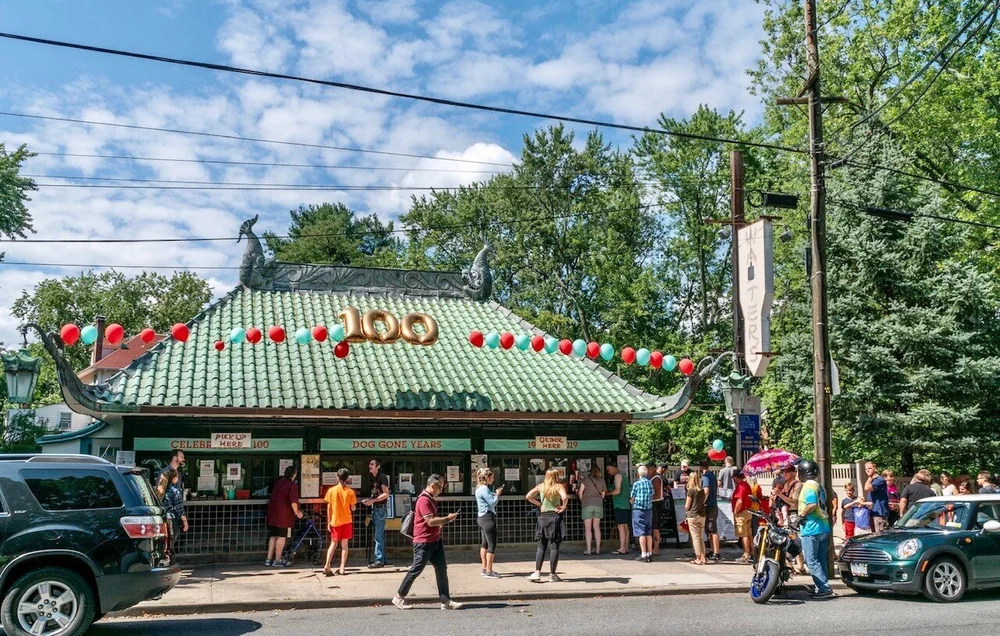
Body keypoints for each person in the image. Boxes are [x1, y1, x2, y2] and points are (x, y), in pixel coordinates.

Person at [392, 475, 462, 610]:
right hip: (423, 541)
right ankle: (399, 596)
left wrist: (441, 523)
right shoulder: (423, 500)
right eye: (440, 487)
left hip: (435, 540)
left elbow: (433, 521)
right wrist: (447, 519)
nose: (441, 490)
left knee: (441, 569)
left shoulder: (431, 499)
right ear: (433, 485)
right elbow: (430, 521)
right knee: (416, 569)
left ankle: (445, 600)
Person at [796, 460, 833, 599]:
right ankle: (820, 587)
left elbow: (811, 504)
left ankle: (824, 588)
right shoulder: (819, 486)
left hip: (811, 528)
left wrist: (801, 516)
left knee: (810, 560)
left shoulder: (808, 486)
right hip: (823, 527)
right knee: (820, 559)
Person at [526, 468, 568, 581]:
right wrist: (563, 507)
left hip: (543, 518)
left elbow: (528, 496)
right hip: (555, 517)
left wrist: (539, 504)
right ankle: (552, 574)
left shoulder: (541, 486)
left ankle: (537, 572)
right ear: (556, 476)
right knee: (554, 546)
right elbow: (564, 497)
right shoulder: (559, 486)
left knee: (541, 546)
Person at [265, 465, 304, 567]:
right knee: (282, 537)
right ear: (294, 474)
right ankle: (277, 560)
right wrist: (297, 512)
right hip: (284, 516)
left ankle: (268, 559)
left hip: (273, 514)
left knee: (273, 536)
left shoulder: (278, 483)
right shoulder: (292, 485)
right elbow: (293, 501)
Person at [323, 469, 357, 576]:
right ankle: (342, 568)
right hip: (347, 521)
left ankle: (327, 565)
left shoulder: (331, 490)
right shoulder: (351, 492)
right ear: (347, 479)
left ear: (337, 477)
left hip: (335, 521)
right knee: (344, 546)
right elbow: (353, 508)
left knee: (333, 544)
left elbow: (329, 507)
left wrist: (329, 522)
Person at [774, 463, 804, 573]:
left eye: (787, 471)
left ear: (794, 472)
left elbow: (794, 502)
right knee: (787, 539)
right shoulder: (786, 484)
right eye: (784, 471)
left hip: (794, 514)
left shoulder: (798, 485)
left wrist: (780, 495)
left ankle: (800, 565)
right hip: (785, 515)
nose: (785, 473)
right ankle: (790, 564)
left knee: (794, 539)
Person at [361, 459, 391, 568]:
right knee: (379, 534)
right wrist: (368, 500)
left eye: (372, 464)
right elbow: (376, 495)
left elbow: (386, 494)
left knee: (378, 535)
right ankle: (382, 558)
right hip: (377, 508)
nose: (370, 466)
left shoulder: (382, 477)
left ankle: (379, 560)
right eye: (369, 464)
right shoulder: (375, 479)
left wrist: (372, 501)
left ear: (378, 467)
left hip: (380, 509)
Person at [475, 468, 503, 579]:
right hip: (488, 517)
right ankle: (489, 570)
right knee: (492, 545)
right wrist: (497, 494)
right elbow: (492, 502)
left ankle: (484, 568)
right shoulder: (484, 489)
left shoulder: (479, 488)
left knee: (484, 544)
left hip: (481, 517)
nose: (493, 479)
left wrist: (493, 493)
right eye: (492, 477)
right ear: (487, 478)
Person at [157, 467, 188, 558]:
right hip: (172, 517)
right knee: (172, 540)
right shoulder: (175, 490)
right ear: (174, 478)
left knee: (164, 541)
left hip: (162, 517)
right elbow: (178, 506)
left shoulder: (160, 489)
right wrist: (185, 520)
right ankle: (170, 559)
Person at [578, 464, 606, 555]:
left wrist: (583, 500)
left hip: (587, 505)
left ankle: (589, 550)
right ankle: (598, 549)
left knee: (588, 528)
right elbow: (603, 495)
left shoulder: (585, 479)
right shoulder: (602, 481)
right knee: (597, 527)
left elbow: (580, 492)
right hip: (598, 505)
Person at [630, 465, 655, 563]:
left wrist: (632, 503)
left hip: (638, 510)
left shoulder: (636, 484)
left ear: (638, 474)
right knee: (648, 532)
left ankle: (643, 554)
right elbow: (652, 495)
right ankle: (649, 553)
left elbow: (632, 497)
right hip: (648, 510)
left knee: (641, 533)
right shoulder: (649, 483)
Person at [606, 463, 631, 555]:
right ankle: (626, 547)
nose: (608, 472)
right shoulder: (624, 476)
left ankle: (622, 548)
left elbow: (617, 491)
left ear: (614, 467)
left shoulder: (617, 476)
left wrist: (606, 494)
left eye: (609, 469)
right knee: (625, 526)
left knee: (620, 526)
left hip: (620, 504)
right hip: (626, 504)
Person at [699, 458, 720, 561]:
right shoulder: (712, 475)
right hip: (713, 504)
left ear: (700, 467)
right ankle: (712, 550)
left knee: (712, 529)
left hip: (709, 505)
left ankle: (716, 552)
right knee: (710, 529)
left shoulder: (706, 476)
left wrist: (702, 502)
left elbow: (706, 490)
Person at [685, 469, 708, 565]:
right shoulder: (702, 490)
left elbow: (687, 505)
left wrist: (686, 510)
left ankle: (698, 558)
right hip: (702, 515)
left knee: (695, 537)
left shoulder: (691, 490)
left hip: (693, 515)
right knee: (700, 537)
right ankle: (703, 557)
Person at [730, 470, 753, 563]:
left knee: (743, 534)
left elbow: (739, 501)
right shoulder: (746, 485)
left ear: (736, 477)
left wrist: (735, 511)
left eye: (733, 477)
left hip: (741, 512)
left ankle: (746, 554)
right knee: (749, 533)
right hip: (748, 511)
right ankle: (753, 552)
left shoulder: (740, 487)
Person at [864, 461, 890, 533]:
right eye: (866, 469)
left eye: (869, 468)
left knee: (880, 536)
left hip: (879, 513)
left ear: (875, 469)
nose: (867, 470)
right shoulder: (873, 480)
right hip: (873, 512)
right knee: (873, 535)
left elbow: (866, 488)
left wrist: (870, 478)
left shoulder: (879, 480)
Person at [648, 461, 665, 556]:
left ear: (653, 468)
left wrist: (647, 498)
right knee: (653, 527)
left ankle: (656, 548)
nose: (647, 470)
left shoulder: (656, 478)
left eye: (648, 468)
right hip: (653, 505)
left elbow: (657, 494)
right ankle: (652, 547)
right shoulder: (651, 478)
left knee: (655, 528)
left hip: (656, 505)